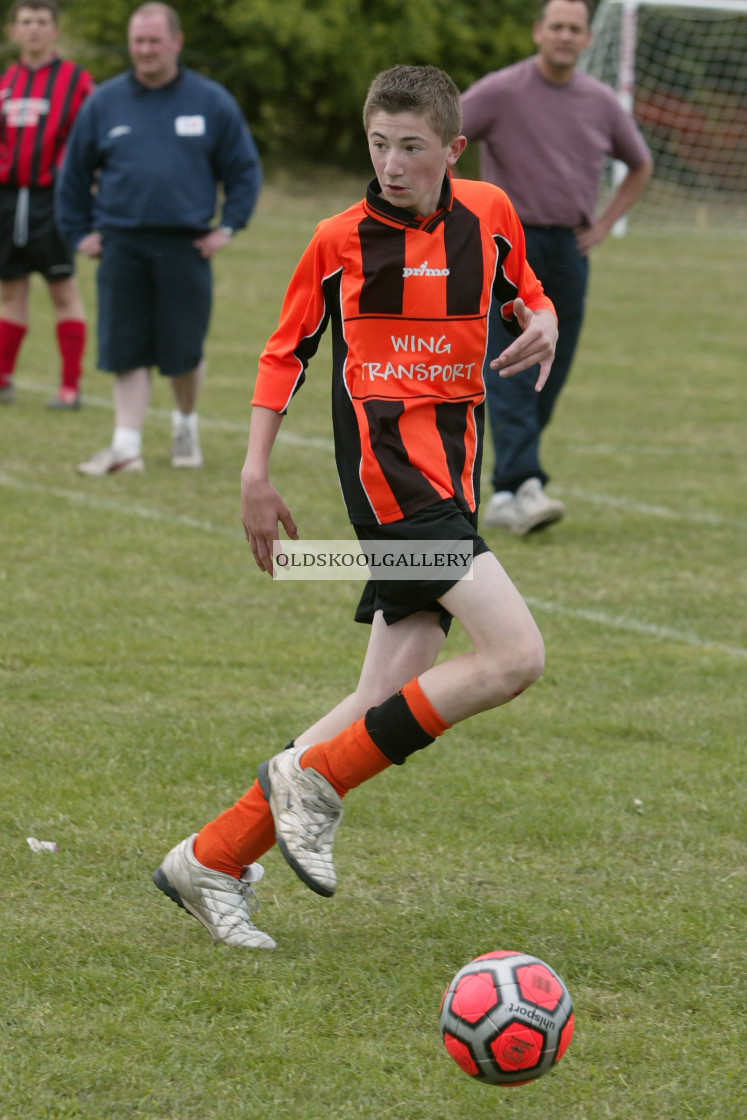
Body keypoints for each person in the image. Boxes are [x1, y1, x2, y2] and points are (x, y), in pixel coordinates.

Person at [152, 64, 558, 950]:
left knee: (378, 700)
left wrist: (545, 316)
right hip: (394, 491)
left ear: (452, 149)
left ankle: (210, 859)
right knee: (515, 654)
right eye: (379, 144)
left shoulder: (487, 213)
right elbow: (282, 353)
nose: (392, 164)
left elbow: (524, 286)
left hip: (448, 483)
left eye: (411, 147)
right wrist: (254, 474)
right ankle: (315, 784)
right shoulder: (339, 239)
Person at [461, 0, 653, 534]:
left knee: (554, 363)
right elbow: (444, 141)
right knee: (511, 360)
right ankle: (524, 482)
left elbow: (640, 164)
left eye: (575, 29)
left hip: (569, 251)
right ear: (538, 32)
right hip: (508, 250)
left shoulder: (601, 102)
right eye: (557, 27)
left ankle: (505, 489)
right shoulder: (502, 90)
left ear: (589, 38)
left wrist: (604, 222)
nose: (565, 36)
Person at [56, 2, 262, 474]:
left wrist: (228, 226)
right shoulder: (104, 102)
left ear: (176, 42)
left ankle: (184, 425)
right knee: (125, 347)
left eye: (153, 40)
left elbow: (244, 171)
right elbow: (73, 173)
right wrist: (78, 232)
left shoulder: (211, 101)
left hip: (185, 246)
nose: (145, 50)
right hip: (120, 243)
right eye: (138, 41)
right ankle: (126, 447)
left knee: (183, 349)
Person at [0, 0, 93, 408]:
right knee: (11, 292)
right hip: (7, 201)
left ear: (55, 30)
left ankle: (69, 387)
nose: (34, 29)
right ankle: (3, 380)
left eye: (41, 21)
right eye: (26, 22)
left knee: (62, 290)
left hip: (52, 201)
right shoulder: (6, 81)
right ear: (13, 31)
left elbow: (87, 143)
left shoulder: (75, 81)